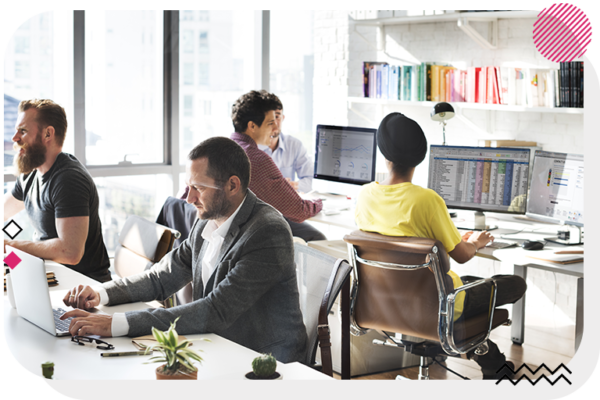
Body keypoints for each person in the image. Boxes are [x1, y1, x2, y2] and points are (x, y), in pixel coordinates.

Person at [61, 137, 308, 363]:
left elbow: (215, 310)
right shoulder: (206, 221)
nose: (189, 198)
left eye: (198, 188)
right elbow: (161, 277)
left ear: (233, 185)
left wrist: (116, 324)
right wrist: (101, 293)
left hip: (265, 360)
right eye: (188, 186)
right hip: (217, 346)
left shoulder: (267, 231)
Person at [354, 112, 527, 380]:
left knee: (466, 283)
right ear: (419, 157)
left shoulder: (365, 196)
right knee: (514, 284)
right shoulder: (427, 200)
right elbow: (462, 255)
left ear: (385, 155)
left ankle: (489, 360)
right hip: (440, 305)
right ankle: (486, 358)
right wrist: (475, 242)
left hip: (386, 304)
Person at [3, 99, 111, 282]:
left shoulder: (68, 179)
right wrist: (7, 256)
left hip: (83, 286)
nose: (15, 138)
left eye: (23, 131)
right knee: (8, 271)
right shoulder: (31, 173)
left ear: (47, 134)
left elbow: (70, 252)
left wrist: (9, 246)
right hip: (49, 274)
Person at [230, 90, 326, 242]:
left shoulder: (224, 147)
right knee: (318, 239)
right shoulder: (256, 159)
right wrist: (319, 201)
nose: (275, 128)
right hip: (250, 236)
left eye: (277, 119)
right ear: (252, 126)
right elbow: (299, 211)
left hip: (232, 234)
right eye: (270, 122)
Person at [259, 94, 313, 194]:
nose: (274, 123)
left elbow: (310, 179)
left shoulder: (294, 145)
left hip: (286, 203)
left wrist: (294, 185)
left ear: (283, 118)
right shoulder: (251, 149)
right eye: (269, 118)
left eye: (277, 116)